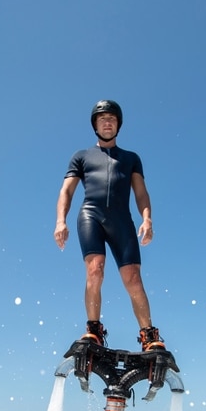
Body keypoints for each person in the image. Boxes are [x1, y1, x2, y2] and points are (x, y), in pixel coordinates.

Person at [54, 100, 166, 352]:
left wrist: (147, 218)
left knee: (133, 278)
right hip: (90, 216)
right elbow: (66, 191)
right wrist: (60, 220)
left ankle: (149, 335)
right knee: (95, 270)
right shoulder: (80, 156)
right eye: (102, 118)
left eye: (112, 119)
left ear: (118, 125)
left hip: (122, 220)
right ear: (95, 124)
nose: (107, 122)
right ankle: (93, 330)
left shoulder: (131, 158)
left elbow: (141, 193)